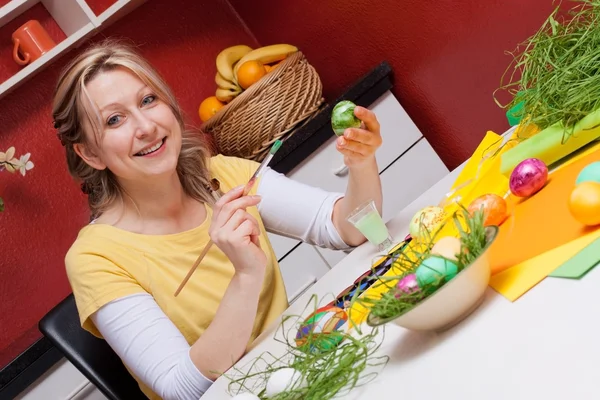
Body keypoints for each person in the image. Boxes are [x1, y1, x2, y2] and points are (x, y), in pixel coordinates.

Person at [54, 39, 383, 400]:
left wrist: (361, 164)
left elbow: (350, 230)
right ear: (89, 153)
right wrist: (246, 275)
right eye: (114, 119)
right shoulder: (96, 258)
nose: (145, 126)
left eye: (148, 100)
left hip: (309, 375)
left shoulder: (224, 176)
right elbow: (183, 388)